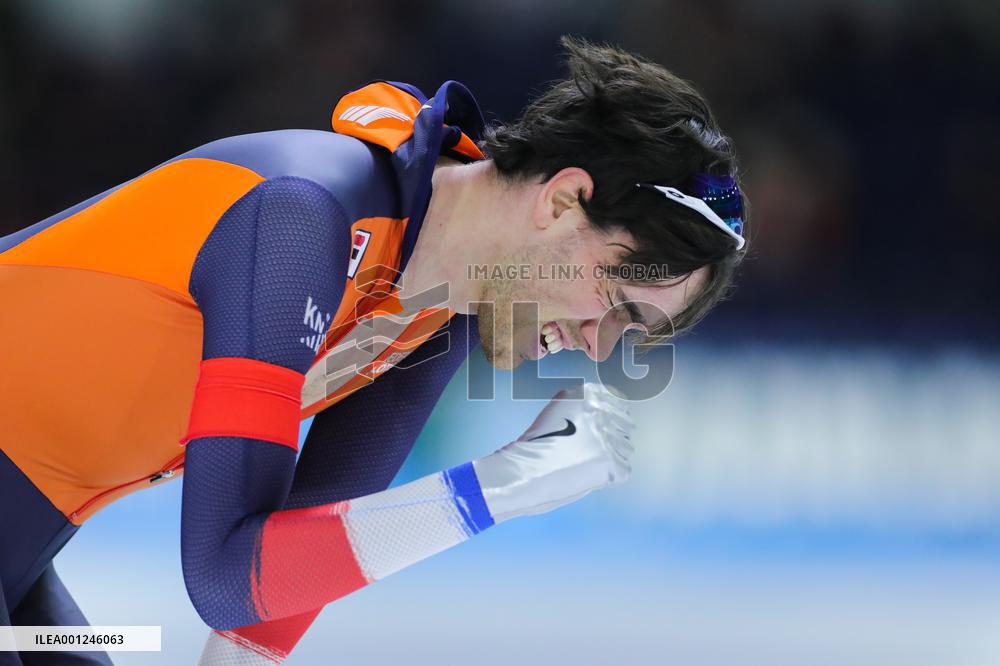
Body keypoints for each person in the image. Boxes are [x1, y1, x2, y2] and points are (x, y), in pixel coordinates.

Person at [0, 36, 747, 665]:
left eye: (629, 333)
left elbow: (266, 600)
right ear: (560, 202)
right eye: (615, 299)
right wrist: (503, 487)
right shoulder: (300, 216)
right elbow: (227, 577)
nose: (596, 343)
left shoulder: (442, 312)